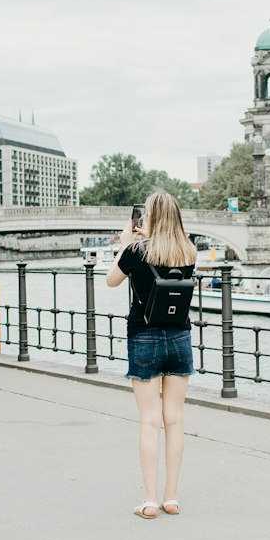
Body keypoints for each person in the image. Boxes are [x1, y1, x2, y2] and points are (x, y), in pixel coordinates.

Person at [107, 190, 197, 519]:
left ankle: (148, 500)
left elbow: (111, 281)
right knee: (175, 420)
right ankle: (171, 498)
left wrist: (126, 242)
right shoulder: (188, 250)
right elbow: (171, 245)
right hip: (179, 337)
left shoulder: (135, 250)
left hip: (143, 336)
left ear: (148, 218)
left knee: (149, 420)